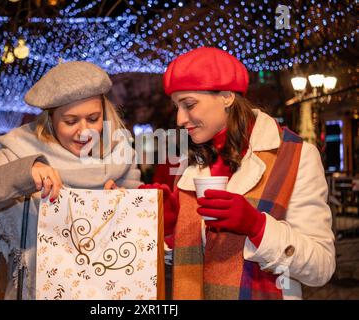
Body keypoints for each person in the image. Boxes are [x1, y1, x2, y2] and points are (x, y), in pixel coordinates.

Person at [141, 47, 335, 300]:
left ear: (227, 96)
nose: (179, 119)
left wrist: (256, 226)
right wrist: (168, 228)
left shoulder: (295, 156)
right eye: (177, 106)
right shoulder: (190, 163)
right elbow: (191, 260)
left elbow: (321, 269)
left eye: (189, 104)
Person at [0, 61, 142, 299]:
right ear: (50, 119)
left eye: (93, 118)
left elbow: (140, 234)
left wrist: (123, 205)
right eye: (70, 121)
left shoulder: (120, 152)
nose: (84, 131)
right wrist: (23, 175)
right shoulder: (19, 151)